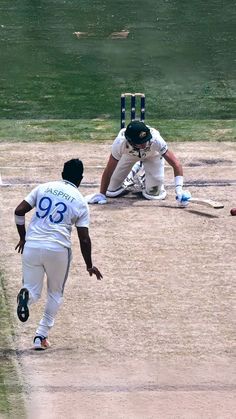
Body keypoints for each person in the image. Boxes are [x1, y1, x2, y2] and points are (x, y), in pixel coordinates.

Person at [15, 158, 103, 350]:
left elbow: (19, 211)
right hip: (57, 249)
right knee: (55, 293)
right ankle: (40, 336)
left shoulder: (43, 188)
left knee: (32, 289)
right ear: (81, 178)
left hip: (32, 245)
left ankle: (26, 297)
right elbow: (84, 239)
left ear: (62, 174)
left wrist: (23, 238)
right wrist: (89, 264)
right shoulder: (80, 201)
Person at [86, 120, 191, 206]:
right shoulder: (120, 143)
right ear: (130, 141)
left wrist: (179, 190)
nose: (144, 145)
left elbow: (176, 164)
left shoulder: (156, 139)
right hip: (129, 156)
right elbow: (109, 170)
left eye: (146, 140)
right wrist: (102, 194)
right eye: (140, 143)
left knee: (154, 194)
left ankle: (146, 177)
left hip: (153, 156)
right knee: (111, 190)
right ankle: (132, 171)